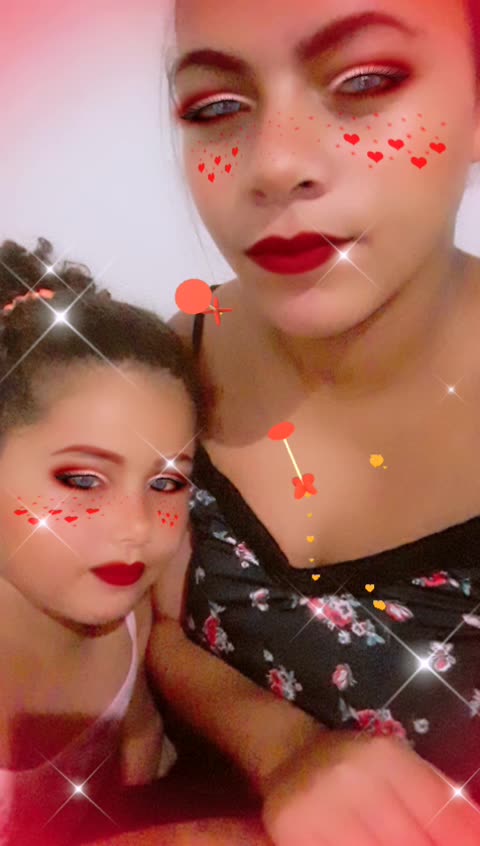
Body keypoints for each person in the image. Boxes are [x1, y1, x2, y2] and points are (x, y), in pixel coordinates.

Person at [148, 0, 480, 843]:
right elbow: (144, 629)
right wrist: (282, 749)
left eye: (365, 81)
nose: (274, 164)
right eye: (217, 106)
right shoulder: (163, 368)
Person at [0, 237, 202, 845]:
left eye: (167, 483)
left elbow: (140, 738)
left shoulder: (128, 620)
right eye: (83, 480)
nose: (137, 525)